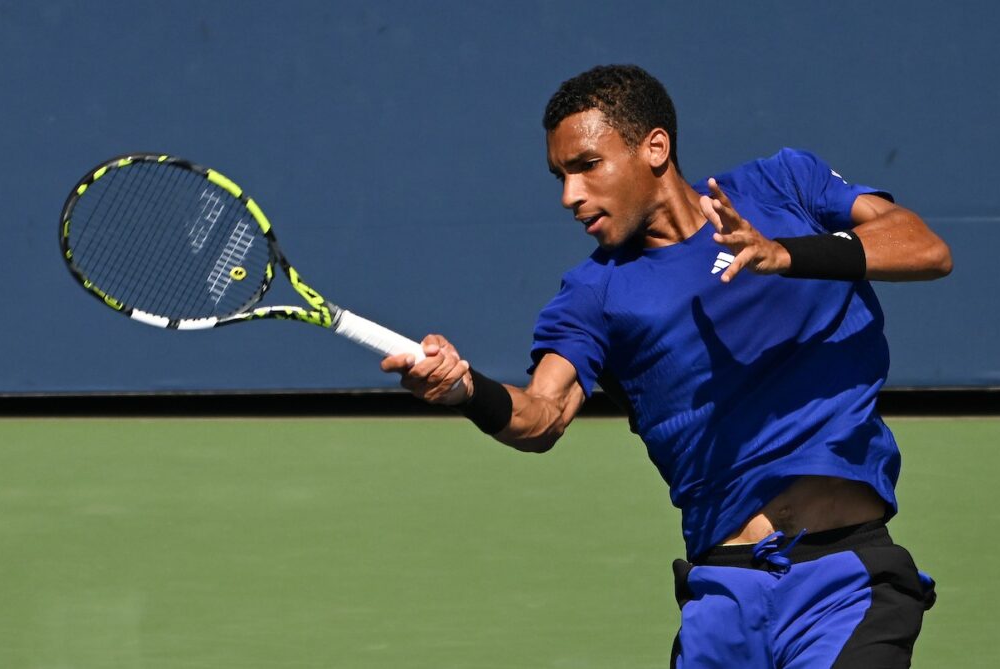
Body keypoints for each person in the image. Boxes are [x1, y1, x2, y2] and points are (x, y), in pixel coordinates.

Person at [383, 64, 951, 668]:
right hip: (723, 597)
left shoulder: (782, 186)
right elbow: (541, 416)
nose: (569, 197)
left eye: (586, 166)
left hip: (844, 583)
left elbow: (924, 247)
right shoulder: (592, 295)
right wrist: (467, 390)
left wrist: (786, 254)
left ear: (654, 147)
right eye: (560, 176)